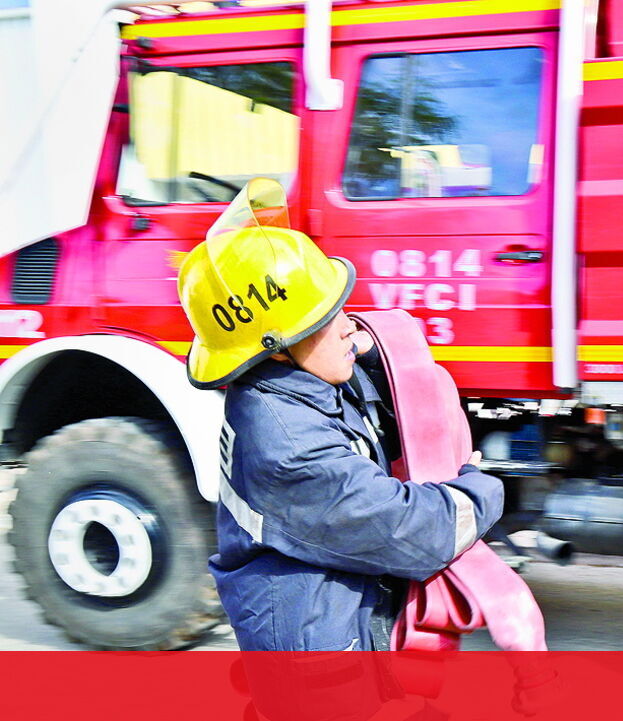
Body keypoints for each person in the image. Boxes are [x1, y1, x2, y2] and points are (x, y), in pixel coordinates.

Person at [176, 178, 504, 651]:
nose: (349, 325)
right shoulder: (290, 449)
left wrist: (372, 354)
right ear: (277, 346)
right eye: (325, 319)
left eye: (340, 308)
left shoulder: (294, 388)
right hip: (318, 658)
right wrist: (478, 486)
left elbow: (373, 408)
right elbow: (418, 533)